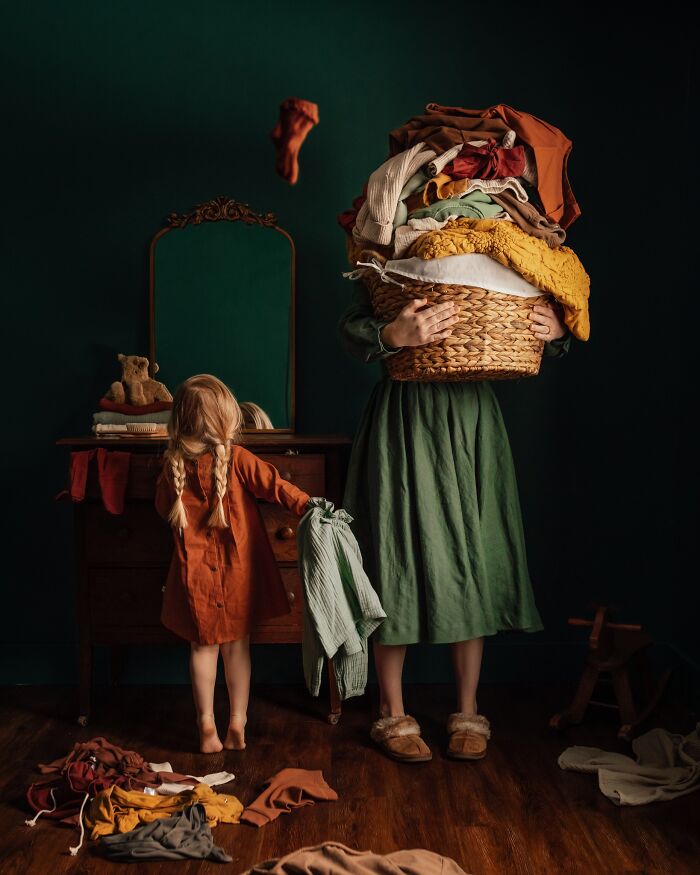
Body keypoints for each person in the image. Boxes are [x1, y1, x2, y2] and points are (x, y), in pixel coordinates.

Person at [339, 286, 570, 763]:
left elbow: (536, 305)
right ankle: (392, 710)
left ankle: (468, 711)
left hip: (471, 416)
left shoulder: (495, 244)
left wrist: (559, 329)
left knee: (476, 549)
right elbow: (353, 328)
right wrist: (392, 333)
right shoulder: (388, 253)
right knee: (394, 549)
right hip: (403, 410)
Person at [155, 375, 310, 753]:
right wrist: (309, 505)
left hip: (194, 578)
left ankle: (206, 726)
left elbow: (163, 509)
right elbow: (276, 485)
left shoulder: (172, 465)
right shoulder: (237, 459)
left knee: (201, 649)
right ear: (225, 420)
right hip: (239, 573)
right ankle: (237, 723)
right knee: (237, 649)